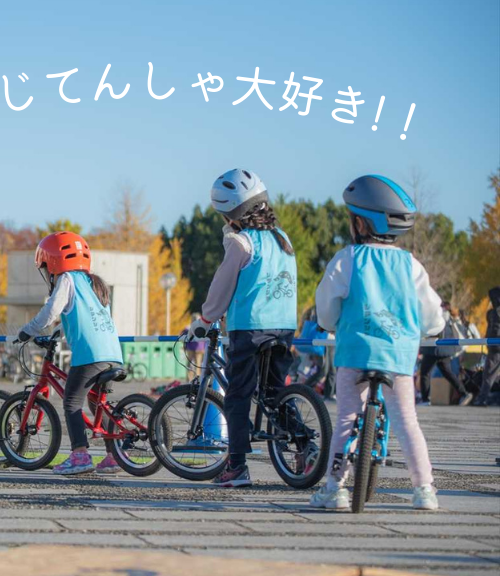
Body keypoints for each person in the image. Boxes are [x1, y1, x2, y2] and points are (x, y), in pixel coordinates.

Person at [310, 174, 443, 511]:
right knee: (406, 422)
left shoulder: (348, 259)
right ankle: (424, 489)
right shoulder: (409, 264)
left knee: (347, 419)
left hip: (355, 352)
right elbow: (430, 309)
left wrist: (329, 323)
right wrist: (434, 328)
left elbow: (326, 303)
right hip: (398, 357)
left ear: (358, 222)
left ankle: (333, 488)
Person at [187, 169, 298, 488]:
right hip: (284, 326)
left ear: (229, 213)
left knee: (238, 396)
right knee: (276, 392)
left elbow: (221, 288)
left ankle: (237, 466)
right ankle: (305, 446)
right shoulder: (283, 238)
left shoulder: (240, 242)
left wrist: (204, 320)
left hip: (250, 328)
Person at [17, 231, 125, 475]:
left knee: (71, 402)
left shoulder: (67, 279)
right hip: (112, 353)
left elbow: (50, 312)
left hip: (90, 355)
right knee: (98, 403)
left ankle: (80, 456)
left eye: (45, 267)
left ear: (52, 262)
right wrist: (57, 335)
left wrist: (27, 331)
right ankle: (114, 455)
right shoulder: (92, 282)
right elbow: (82, 320)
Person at [417, 302, 474, 406]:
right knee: (448, 373)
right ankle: (464, 393)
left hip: (433, 348)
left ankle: (425, 399)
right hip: (445, 349)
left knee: (425, 373)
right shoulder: (450, 318)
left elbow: (429, 331)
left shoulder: (435, 316)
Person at [474, 287, 500, 406]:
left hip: (494, 346)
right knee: (489, 374)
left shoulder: (491, 312)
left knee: (489, 374)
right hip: (494, 345)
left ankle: (482, 398)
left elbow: (490, 329)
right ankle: (483, 398)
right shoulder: (492, 312)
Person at [183, 314, 206, 382]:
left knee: (190, 364)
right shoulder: (202, 327)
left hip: (191, 347)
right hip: (199, 347)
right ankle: (198, 379)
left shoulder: (188, 328)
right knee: (198, 365)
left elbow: (183, 337)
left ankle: (190, 379)